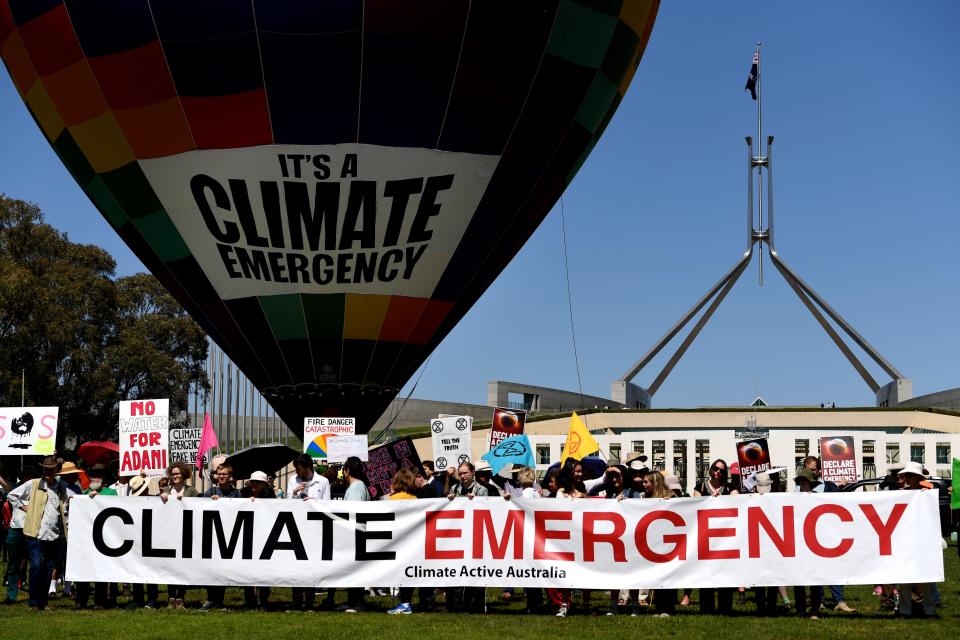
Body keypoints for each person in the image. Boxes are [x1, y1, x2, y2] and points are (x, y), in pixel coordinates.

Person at [6, 456, 80, 610]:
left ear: (55, 471)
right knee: (36, 566)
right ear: (42, 469)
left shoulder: (61, 488)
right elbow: (12, 495)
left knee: (48, 568)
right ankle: (34, 600)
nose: (48, 471)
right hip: (36, 534)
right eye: (46, 469)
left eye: (51, 469)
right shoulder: (33, 484)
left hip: (54, 535)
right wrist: (23, 507)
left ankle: (42, 601)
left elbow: (71, 504)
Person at [895, 461, 938, 618]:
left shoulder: (929, 493)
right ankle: (905, 610)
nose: (906, 478)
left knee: (927, 576)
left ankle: (929, 609)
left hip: (924, 538)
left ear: (917, 477)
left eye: (909, 475)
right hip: (906, 539)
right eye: (905, 475)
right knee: (904, 576)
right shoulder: (902, 494)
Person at [286, 454, 329, 611]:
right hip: (297, 528)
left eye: (299, 469)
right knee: (296, 567)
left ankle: (310, 602)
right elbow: (285, 505)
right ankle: (296, 601)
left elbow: (327, 505)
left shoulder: (323, 482)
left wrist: (314, 502)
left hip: (314, 531)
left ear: (307, 467)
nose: (297, 472)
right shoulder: (293, 481)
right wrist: (295, 493)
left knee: (311, 567)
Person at [74, 464, 117, 610]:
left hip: (103, 538)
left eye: (99, 475)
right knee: (83, 569)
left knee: (102, 569)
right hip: (85, 537)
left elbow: (114, 507)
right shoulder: (84, 492)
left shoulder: (111, 492)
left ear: (104, 479)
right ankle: (81, 599)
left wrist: (99, 499)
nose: (95, 477)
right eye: (93, 474)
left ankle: (100, 600)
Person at [200, 463, 240, 611]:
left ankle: (219, 600)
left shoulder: (237, 494)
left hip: (230, 537)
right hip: (212, 536)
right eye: (219, 474)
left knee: (223, 570)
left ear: (230, 476)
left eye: (225, 474)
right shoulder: (209, 492)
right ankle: (211, 599)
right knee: (211, 569)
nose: (222, 476)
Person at [792, 469, 824, 619]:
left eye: (803, 481)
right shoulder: (793, 498)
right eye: (799, 481)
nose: (801, 484)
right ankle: (800, 609)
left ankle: (815, 610)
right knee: (798, 578)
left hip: (815, 543)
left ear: (810, 483)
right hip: (798, 543)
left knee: (815, 578)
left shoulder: (819, 498)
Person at [125, 475, 160, 609]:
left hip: (152, 538)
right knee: (136, 569)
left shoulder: (155, 500)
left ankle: (152, 599)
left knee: (151, 569)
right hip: (137, 539)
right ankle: (138, 599)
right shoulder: (132, 504)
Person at [3, 466, 37, 605]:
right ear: (22, 478)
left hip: (32, 530)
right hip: (16, 529)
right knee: (13, 564)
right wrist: (23, 507)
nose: (27, 479)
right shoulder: (15, 491)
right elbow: (9, 494)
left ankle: (35, 595)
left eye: (30, 476)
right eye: (25, 476)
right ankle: (11, 596)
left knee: (35, 564)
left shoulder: (37, 490)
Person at [387, 469, 419, 614]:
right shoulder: (414, 498)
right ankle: (406, 602)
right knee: (408, 573)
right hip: (411, 540)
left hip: (396, 540)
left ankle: (404, 603)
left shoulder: (392, 499)